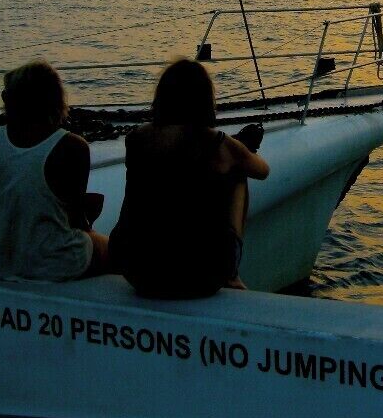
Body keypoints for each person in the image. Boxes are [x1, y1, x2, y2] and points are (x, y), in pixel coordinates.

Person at [109, 59, 268, 298]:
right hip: (200, 276)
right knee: (237, 174)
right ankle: (232, 274)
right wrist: (238, 150)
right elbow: (262, 171)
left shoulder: (136, 139)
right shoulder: (218, 144)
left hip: (138, 272)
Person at [0, 61, 108, 281]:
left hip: (1, 261)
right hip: (51, 263)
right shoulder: (72, 146)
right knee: (108, 247)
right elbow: (76, 221)